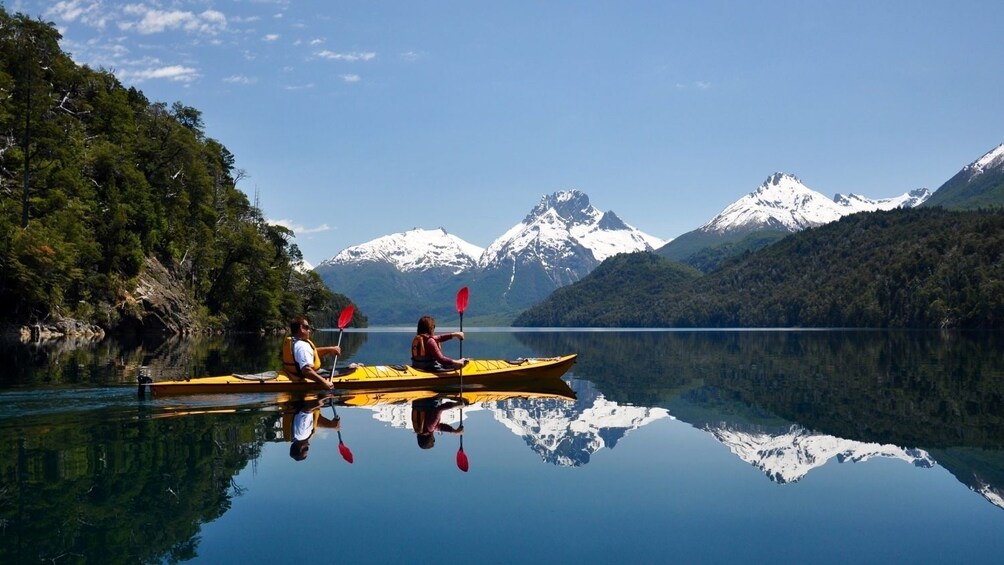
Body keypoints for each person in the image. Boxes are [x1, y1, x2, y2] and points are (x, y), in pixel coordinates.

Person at [281, 316, 342, 389]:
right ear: (301, 328)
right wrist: (325, 382)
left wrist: (331, 349)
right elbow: (307, 371)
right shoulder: (302, 346)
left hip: (292, 373)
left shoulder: (295, 342)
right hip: (304, 375)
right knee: (345, 371)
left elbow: (312, 354)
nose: (309, 330)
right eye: (307, 327)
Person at [288, 396, 342, 461]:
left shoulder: (302, 434)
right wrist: (331, 425)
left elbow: (307, 409)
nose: (308, 445)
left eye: (306, 448)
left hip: (308, 398)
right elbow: (315, 420)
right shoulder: (300, 436)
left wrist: (325, 397)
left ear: (300, 447)